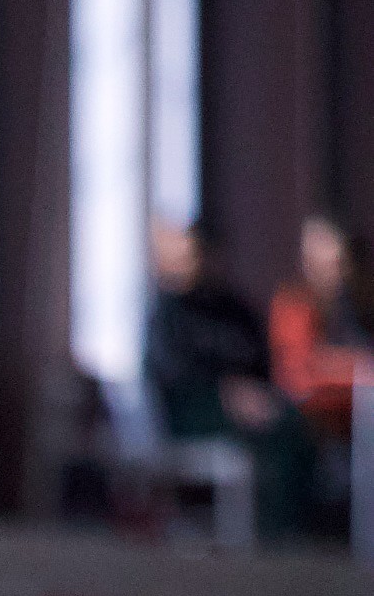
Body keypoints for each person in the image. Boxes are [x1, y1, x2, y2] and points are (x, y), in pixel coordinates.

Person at [143, 219, 310, 541]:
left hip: (255, 403)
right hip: (192, 410)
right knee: (256, 444)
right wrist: (223, 393)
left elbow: (263, 363)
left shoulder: (238, 310)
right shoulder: (170, 310)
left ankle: (287, 530)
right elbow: (168, 375)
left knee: (293, 427)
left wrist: (255, 394)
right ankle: (258, 534)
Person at [269, 214, 374, 534]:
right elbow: (297, 375)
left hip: (356, 414)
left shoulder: (359, 304)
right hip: (310, 416)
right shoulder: (294, 302)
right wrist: (356, 367)